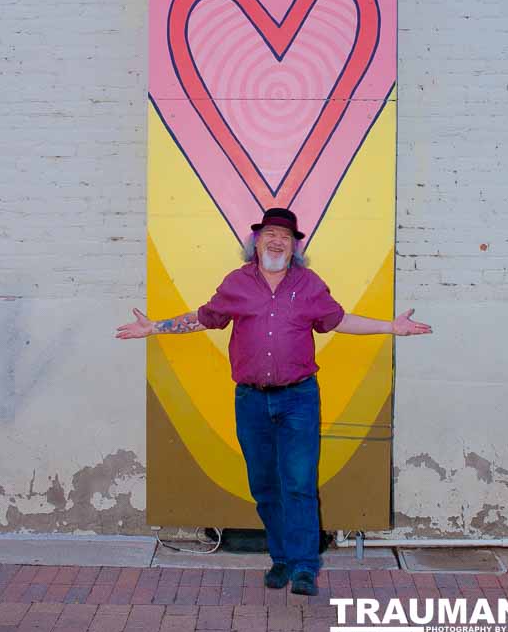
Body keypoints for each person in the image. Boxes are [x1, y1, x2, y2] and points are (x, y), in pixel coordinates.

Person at [116, 207, 432, 596]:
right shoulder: (237, 283)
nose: (277, 240)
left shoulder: (309, 284)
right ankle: (280, 559)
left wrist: (391, 327)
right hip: (250, 401)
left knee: (298, 484)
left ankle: (303, 566)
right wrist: (155, 327)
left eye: (285, 235)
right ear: (256, 241)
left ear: (295, 246)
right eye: (269, 233)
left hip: (298, 399)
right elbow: (205, 317)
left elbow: (338, 320)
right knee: (264, 485)